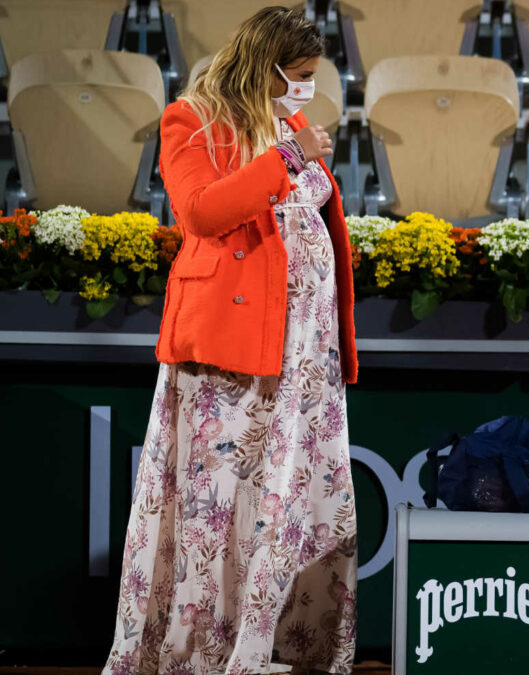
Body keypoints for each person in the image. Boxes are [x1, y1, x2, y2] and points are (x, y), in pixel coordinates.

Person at [103, 7, 358, 674]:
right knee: (220, 506)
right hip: (232, 357)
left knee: (289, 503)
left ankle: (281, 647)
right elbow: (201, 212)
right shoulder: (191, 120)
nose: (304, 87)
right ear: (266, 63)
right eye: (297, 75)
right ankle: (203, 652)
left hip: (302, 357)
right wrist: (284, 158)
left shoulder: (289, 123)